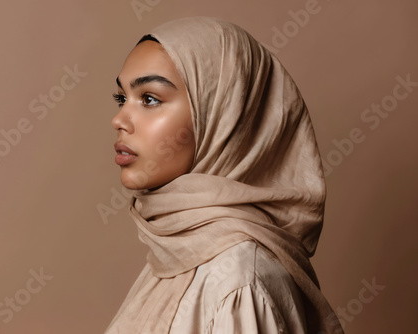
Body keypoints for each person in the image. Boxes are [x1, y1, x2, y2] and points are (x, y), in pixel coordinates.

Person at [107, 16, 343, 334]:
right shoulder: (176, 253)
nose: (120, 119)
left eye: (150, 99)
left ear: (223, 115)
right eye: (122, 98)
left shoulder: (240, 280)